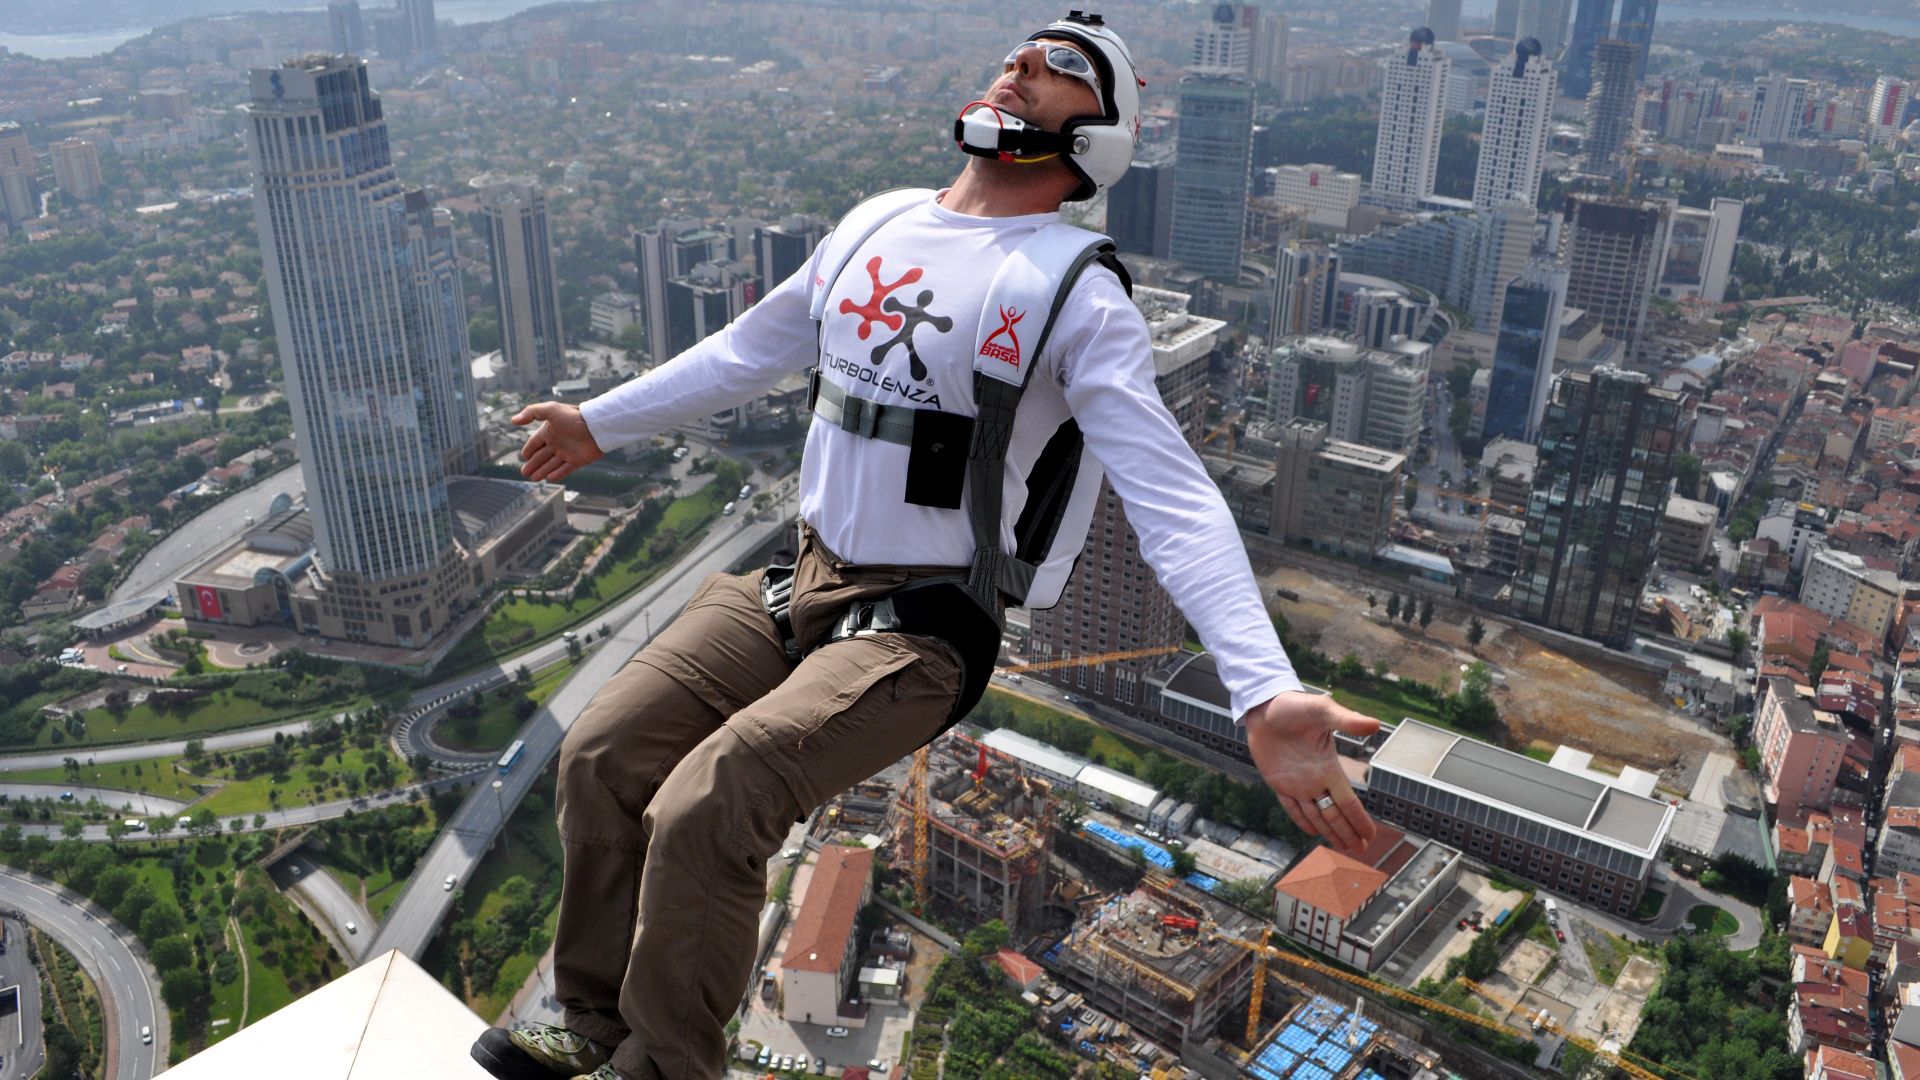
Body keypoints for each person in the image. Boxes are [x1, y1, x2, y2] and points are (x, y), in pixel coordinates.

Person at [470, 13, 1381, 1080]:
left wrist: (1260, 691)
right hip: (799, 577)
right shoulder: (877, 224)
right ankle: (587, 1021)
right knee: (602, 755)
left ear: (1100, 138)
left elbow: (1173, 496)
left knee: (713, 801)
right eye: (1020, 54)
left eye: (1064, 71)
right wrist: (598, 421)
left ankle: (667, 1068)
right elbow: (747, 349)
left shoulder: (1074, 295)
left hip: (923, 627)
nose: (1023, 67)